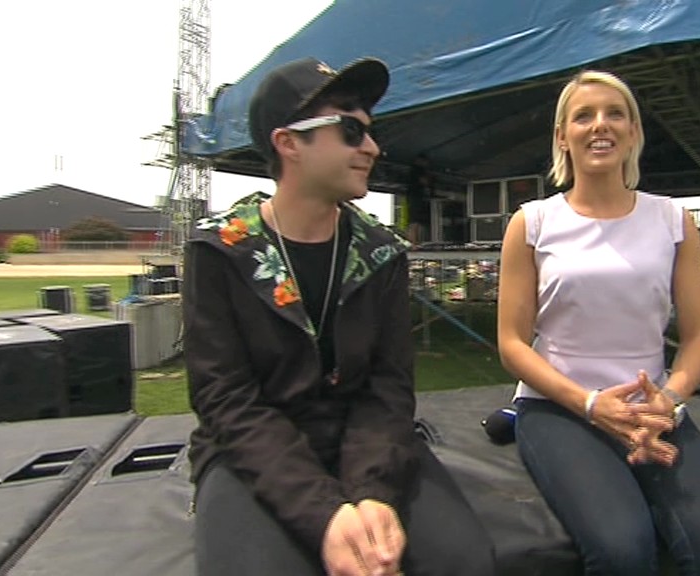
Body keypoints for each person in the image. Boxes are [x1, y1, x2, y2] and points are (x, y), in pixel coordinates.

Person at [182, 57, 495, 576]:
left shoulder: (382, 253)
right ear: (288, 143)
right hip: (253, 452)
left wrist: (373, 495)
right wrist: (324, 513)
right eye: (350, 130)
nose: (372, 148)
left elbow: (389, 387)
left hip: (366, 443)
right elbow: (226, 400)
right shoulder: (219, 250)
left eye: (370, 132)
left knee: (464, 561)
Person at [496, 70, 700, 575]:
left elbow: (698, 338)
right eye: (584, 116)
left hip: (652, 410)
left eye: (615, 114)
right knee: (622, 551)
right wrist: (590, 404)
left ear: (634, 132)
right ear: (562, 137)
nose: (601, 125)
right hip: (559, 409)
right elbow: (511, 343)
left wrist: (670, 399)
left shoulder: (673, 221)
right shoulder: (532, 223)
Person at [404, 153, 434, 244]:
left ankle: (412, 241)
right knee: (415, 220)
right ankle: (412, 241)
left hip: (413, 196)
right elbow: (424, 181)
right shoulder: (418, 170)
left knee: (414, 220)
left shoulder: (412, 170)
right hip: (416, 196)